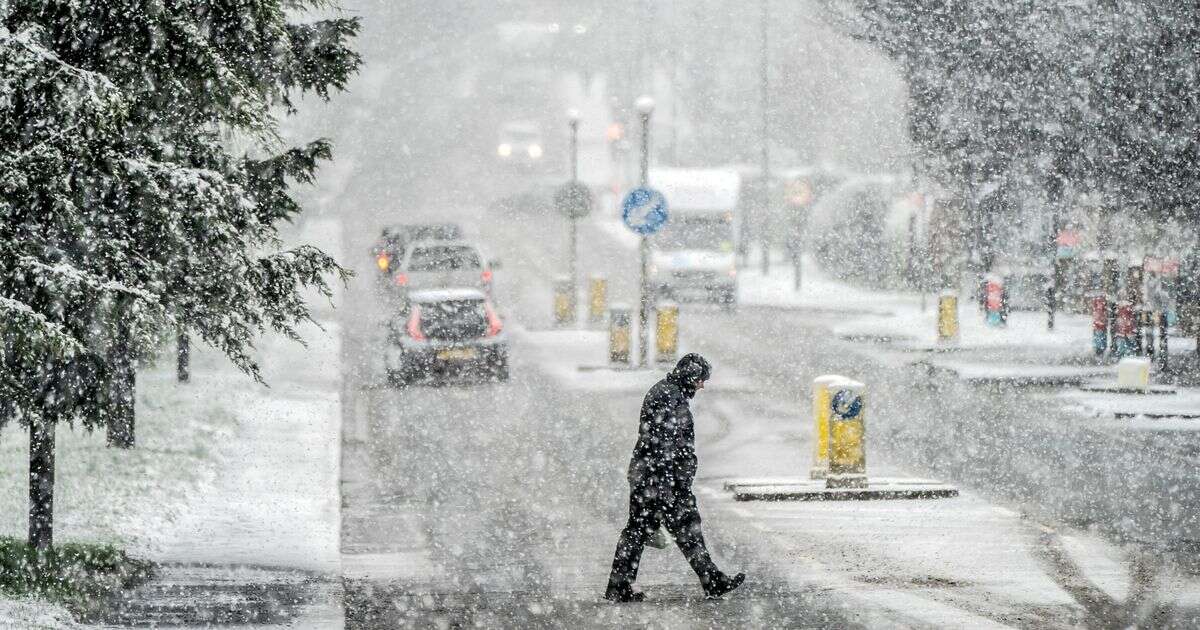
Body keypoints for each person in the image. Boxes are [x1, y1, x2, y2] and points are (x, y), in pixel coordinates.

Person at [605, 353, 745, 602]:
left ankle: (621, 586)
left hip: (652, 478)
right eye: (701, 379)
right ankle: (711, 581)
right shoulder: (668, 397)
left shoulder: (669, 393)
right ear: (691, 377)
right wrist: (672, 484)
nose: (702, 385)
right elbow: (665, 446)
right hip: (660, 481)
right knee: (677, 529)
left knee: (644, 530)